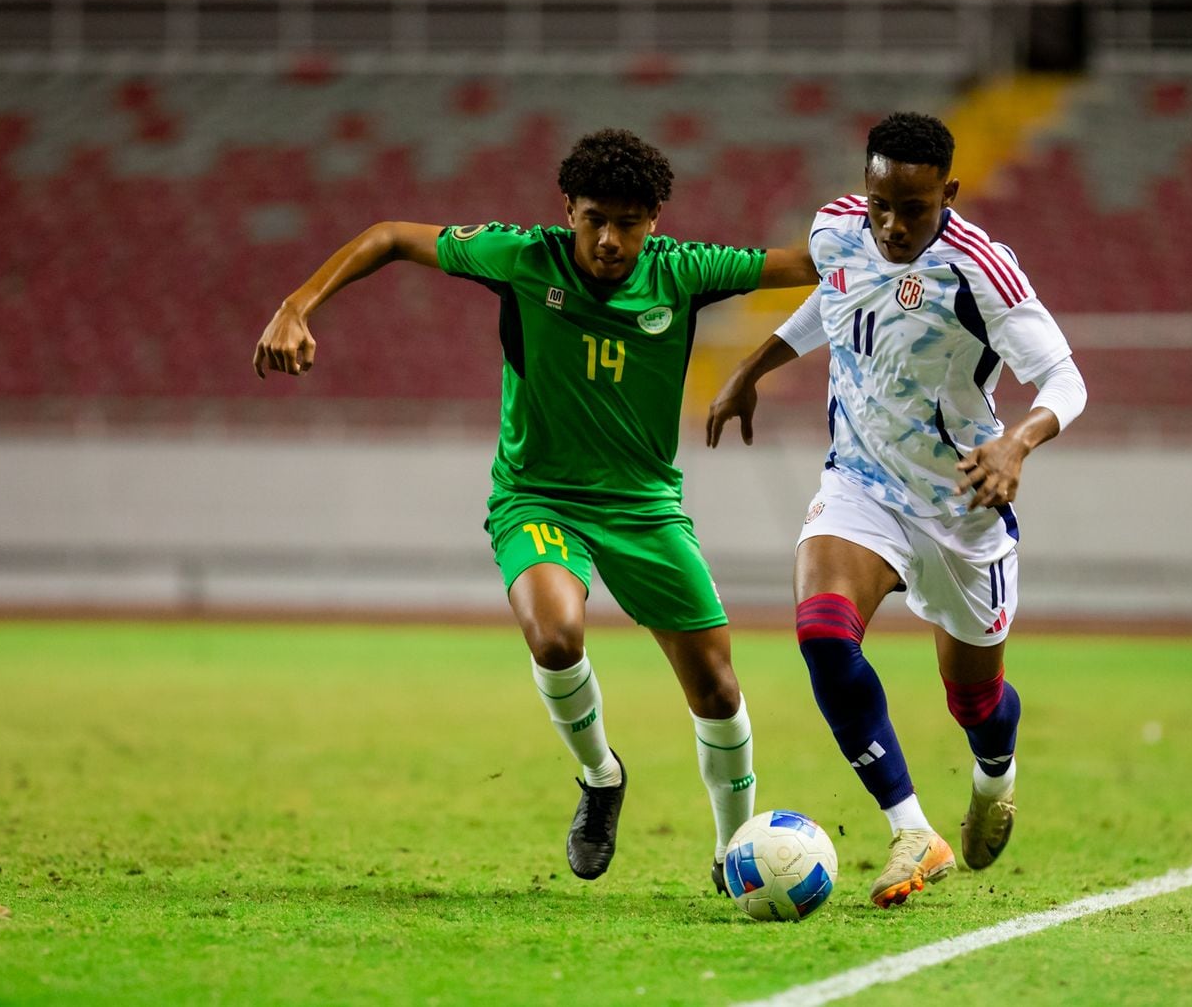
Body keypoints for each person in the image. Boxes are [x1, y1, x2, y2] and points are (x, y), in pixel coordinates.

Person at [253, 128, 819, 892]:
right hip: (537, 496)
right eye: (594, 219)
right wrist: (296, 304)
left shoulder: (685, 271)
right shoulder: (522, 256)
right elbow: (389, 236)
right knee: (555, 636)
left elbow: (812, 261)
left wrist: (902, 233)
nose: (610, 240)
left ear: (656, 217)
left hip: (644, 507)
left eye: (628, 222)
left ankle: (732, 853)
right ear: (567, 209)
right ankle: (600, 777)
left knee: (716, 685)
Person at [706, 112, 1087, 908]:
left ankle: (995, 776)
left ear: (947, 193)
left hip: (960, 501)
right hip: (860, 483)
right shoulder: (839, 230)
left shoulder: (982, 268)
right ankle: (912, 827)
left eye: (912, 208)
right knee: (822, 632)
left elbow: (1065, 380)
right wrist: (755, 364)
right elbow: (836, 299)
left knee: (974, 701)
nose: (891, 224)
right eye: (880, 203)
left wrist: (1015, 444)